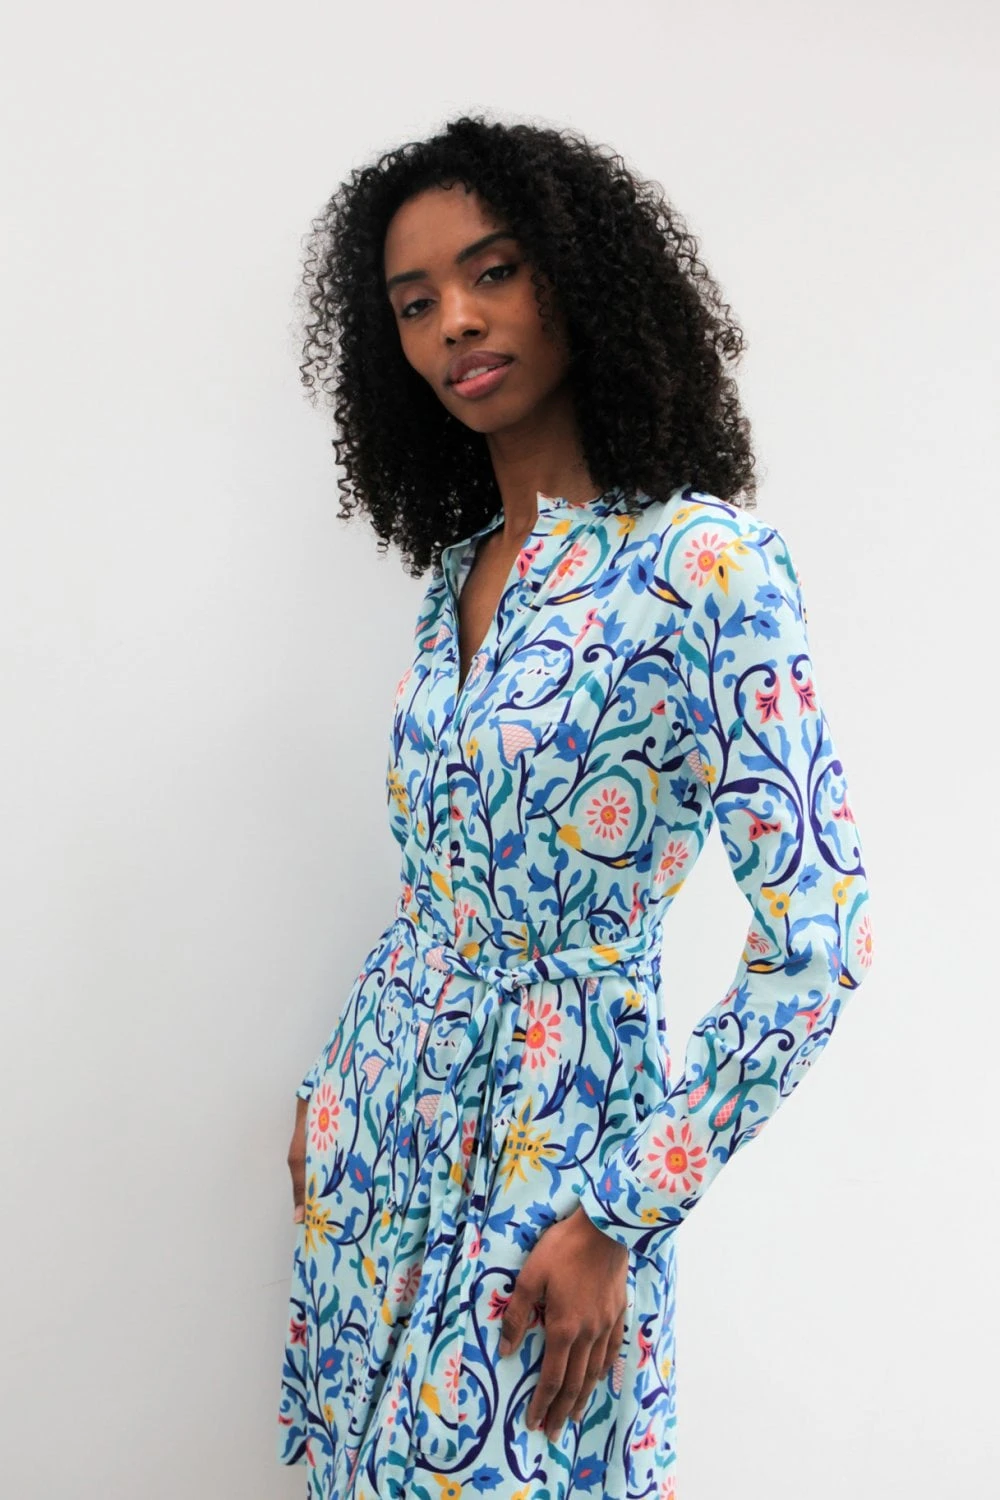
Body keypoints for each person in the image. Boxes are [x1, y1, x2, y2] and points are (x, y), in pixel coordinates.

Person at [276, 114, 874, 1500]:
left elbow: (820, 943)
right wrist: (329, 1093)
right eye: (414, 303)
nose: (455, 322)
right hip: (375, 1133)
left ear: (580, 277)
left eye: (492, 271)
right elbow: (442, 885)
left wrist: (622, 1215)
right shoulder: (459, 577)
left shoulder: (705, 566)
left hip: (561, 1158)